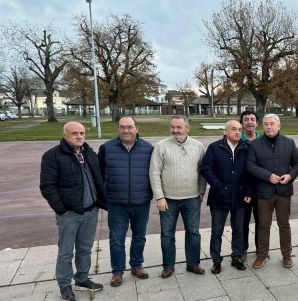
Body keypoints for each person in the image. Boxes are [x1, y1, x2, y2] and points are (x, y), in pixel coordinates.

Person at [40, 121, 107, 301]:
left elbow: (98, 179)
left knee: (85, 248)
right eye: (74, 133)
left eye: (82, 133)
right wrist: (62, 209)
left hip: (90, 211)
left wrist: (100, 202)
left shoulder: (89, 154)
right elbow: (47, 187)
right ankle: (64, 284)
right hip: (69, 214)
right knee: (66, 251)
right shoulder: (52, 156)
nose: (79, 136)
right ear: (65, 135)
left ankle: (82, 278)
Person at [98, 116, 154, 286]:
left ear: (136, 128)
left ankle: (136, 266)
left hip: (141, 201)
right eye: (122, 127)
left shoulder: (148, 148)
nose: (126, 130)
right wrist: (104, 198)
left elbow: (153, 173)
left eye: (129, 127)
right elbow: (99, 175)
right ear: (117, 129)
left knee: (139, 236)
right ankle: (117, 271)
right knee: (116, 238)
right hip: (116, 203)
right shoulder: (106, 148)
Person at [149, 116, 206, 278]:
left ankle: (193, 264)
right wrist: (159, 197)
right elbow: (154, 173)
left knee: (193, 232)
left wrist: (201, 192)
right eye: (172, 127)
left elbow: (203, 171)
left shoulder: (197, 146)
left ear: (187, 128)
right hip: (168, 200)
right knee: (167, 234)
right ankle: (168, 266)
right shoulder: (161, 146)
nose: (175, 130)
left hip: (192, 197)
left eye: (179, 127)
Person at [246, 113, 298, 268]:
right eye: (266, 124)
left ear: (278, 125)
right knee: (263, 225)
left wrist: (290, 176)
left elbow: (297, 163)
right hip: (264, 192)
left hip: (283, 191)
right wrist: (268, 176)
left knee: (284, 224)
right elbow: (250, 166)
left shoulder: (289, 143)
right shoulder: (255, 144)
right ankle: (262, 254)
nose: (269, 127)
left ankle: (286, 254)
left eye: (271, 124)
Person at [201, 120, 253, 274]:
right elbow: (206, 168)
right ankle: (216, 260)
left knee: (239, 229)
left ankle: (236, 257)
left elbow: (250, 171)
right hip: (219, 196)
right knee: (217, 231)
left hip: (240, 196)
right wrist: (218, 185)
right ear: (226, 131)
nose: (237, 132)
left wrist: (249, 192)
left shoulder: (246, 148)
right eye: (233, 129)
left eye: (239, 129)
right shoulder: (215, 147)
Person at [240, 110, 260, 261]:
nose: (249, 122)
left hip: (260, 189)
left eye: (252, 119)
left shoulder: (264, 141)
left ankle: (261, 248)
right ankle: (243, 249)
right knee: (243, 222)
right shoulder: (236, 141)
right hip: (242, 189)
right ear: (242, 124)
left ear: (257, 123)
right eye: (246, 119)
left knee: (261, 221)